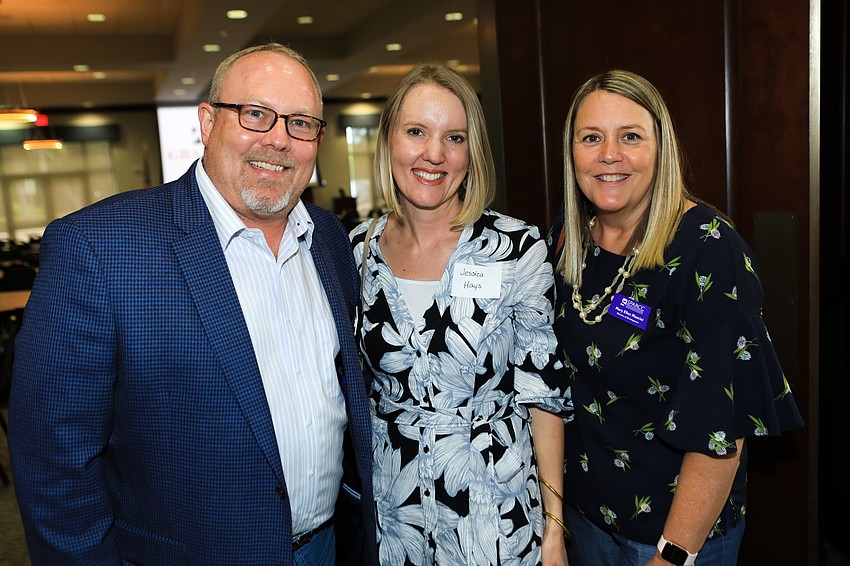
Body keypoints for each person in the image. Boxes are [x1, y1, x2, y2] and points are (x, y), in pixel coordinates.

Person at [8, 42, 376, 566]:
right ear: (207, 122)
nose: (278, 139)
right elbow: (54, 465)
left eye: (300, 123)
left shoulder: (331, 240)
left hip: (327, 547)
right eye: (255, 114)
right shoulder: (99, 248)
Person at [548, 69, 804, 566]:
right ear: (571, 152)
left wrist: (674, 554)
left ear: (661, 148)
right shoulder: (567, 238)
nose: (609, 155)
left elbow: (721, 424)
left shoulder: (707, 249)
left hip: (674, 535)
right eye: (591, 138)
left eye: (631, 137)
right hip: (587, 522)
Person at [350, 63, 572, 566]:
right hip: (395, 522)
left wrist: (554, 531)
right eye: (416, 132)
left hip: (495, 520)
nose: (434, 154)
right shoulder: (356, 253)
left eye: (454, 137)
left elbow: (544, 397)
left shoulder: (516, 250)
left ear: (473, 154)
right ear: (389, 140)